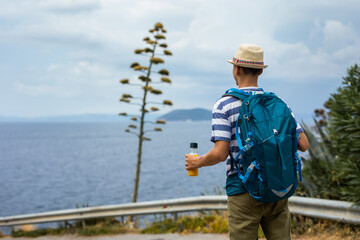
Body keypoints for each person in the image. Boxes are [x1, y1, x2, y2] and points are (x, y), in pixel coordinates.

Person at [185, 44, 309, 240]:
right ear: (260, 71)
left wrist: (197, 162)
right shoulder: (279, 103)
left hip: (243, 191)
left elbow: (220, 153)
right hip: (277, 188)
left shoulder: (224, 104)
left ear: (236, 69)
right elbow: (303, 144)